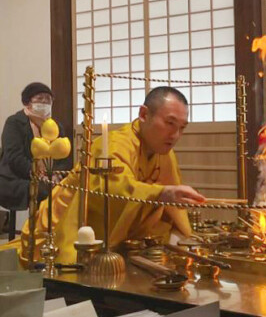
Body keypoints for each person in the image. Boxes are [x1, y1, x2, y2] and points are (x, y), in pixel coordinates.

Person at [19, 86, 205, 264]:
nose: (175, 135)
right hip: (66, 223)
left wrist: (185, 236)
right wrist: (162, 193)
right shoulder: (116, 144)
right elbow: (114, 189)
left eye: (182, 128)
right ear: (144, 114)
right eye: (170, 123)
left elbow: (173, 208)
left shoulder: (164, 153)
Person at [0, 82, 70, 210]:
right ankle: (37, 228)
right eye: (39, 99)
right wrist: (39, 174)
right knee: (45, 191)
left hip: (50, 177)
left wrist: (57, 175)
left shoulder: (56, 126)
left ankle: (57, 228)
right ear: (27, 103)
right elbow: (15, 157)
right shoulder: (14, 122)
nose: (44, 102)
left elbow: (64, 156)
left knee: (70, 189)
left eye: (48, 99)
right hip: (17, 177)